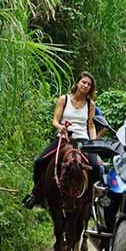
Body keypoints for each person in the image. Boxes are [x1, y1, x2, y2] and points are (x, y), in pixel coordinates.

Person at [22, 71, 99, 209]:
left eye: (89, 84)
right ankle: (37, 194)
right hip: (64, 138)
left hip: (82, 139)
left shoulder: (90, 104)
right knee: (40, 162)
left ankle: (93, 198)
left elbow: (91, 125)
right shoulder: (64, 99)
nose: (85, 85)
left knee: (96, 166)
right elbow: (55, 120)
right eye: (84, 82)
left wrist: (94, 142)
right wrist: (60, 127)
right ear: (77, 83)